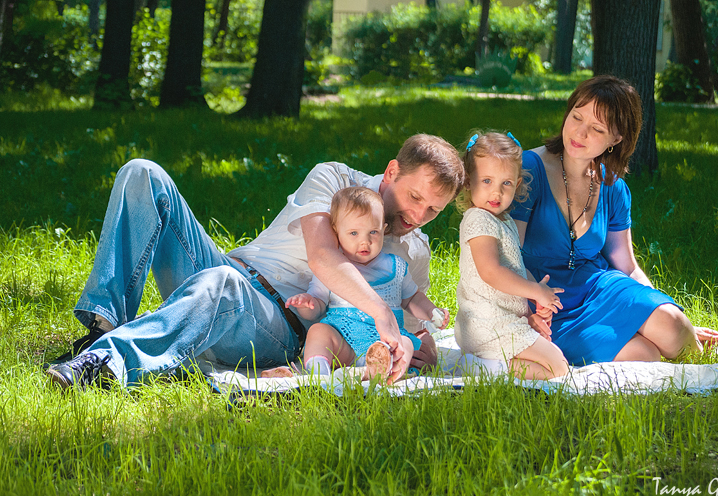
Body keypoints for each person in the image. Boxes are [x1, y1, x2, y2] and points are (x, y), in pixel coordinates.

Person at [46, 134, 465, 389]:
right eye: (414, 197)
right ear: (392, 172)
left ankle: (107, 361)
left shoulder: (413, 251)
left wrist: (420, 345)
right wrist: (379, 311)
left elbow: (406, 328)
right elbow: (322, 255)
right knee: (143, 174)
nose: (418, 215)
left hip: (277, 323)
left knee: (222, 284)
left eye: (433, 210)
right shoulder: (336, 178)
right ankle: (103, 326)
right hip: (227, 268)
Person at [510, 75, 718, 365]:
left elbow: (627, 265)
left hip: (599, 288)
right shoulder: (528, 170)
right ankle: (690, 351)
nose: (579, 133)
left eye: (597, 128)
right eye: (576, 117)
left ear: (617, 139)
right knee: (645, 355)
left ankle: (706, 354)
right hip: (543, 306)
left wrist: (655, 309)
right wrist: (530, 311)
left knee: (672, 326)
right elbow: (509, 257)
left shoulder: (613, 186)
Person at [264, 187, 450, 384]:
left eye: (373, 232)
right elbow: (317, 306)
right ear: (336, 232)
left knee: (405, 343)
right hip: (343, 340)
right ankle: (318, 375)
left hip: (385, 342)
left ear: (384, 229)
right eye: (353, 233)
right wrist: (307, 304)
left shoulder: (395, 266)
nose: (365, 241)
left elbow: (412, 299)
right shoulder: (334, 269)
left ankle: (380, 370)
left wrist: (432, 312)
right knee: (318, 331)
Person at [454, 132, 569, 380]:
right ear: (468, 182)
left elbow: (514, 268)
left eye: (505, 183)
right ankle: (478, 368)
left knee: (554, 364)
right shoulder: (478, 219)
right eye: (486, 181)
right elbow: (491, 272)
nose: (496, 192)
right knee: (557, 367)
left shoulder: (503, 220)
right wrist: (535, 291)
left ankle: (487, 365)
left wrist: (533, 306)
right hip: (484, 323)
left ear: (516, 185)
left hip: (501, 319)